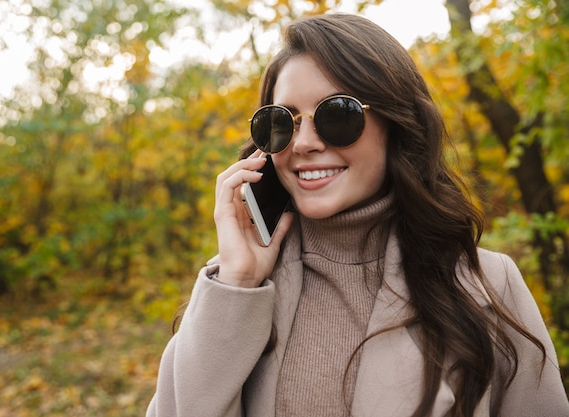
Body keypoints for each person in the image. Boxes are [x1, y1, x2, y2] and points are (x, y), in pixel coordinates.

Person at [146, 13, 569, 417]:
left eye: (337, 115)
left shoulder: (488, 287)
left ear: (396, 124)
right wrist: (237, 284)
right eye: (283, 121)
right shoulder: (236, 291)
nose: (305, 143)